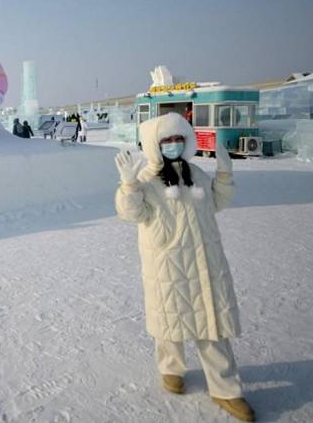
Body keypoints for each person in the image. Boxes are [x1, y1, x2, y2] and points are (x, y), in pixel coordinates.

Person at [114, 113, 255, 422]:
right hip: (168, 262)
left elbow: (216, 204)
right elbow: (132, 214)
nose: (174, 145)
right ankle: (171, 368)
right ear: (154, 144)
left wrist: (224, 175)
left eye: (179, 138)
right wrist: (128, 185)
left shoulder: (197, 174)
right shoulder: (147, 179)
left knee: (212, 325)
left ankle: (226, 389)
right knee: (170, 322)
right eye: (167, 140)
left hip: (205, 259)